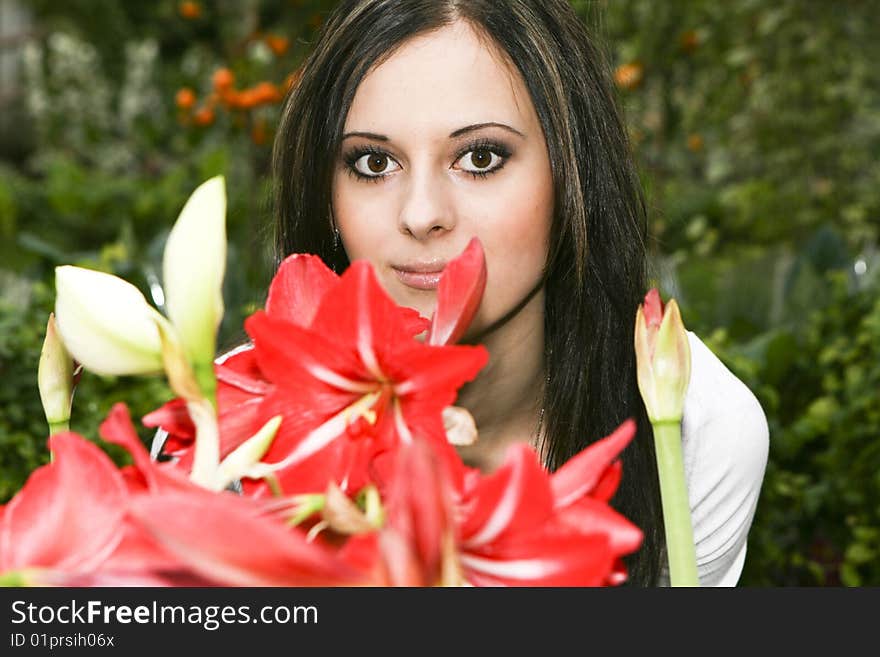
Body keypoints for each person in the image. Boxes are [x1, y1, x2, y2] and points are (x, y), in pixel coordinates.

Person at [269, 0, 769, 586]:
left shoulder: (696, 433)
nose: (422, 214)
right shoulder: (233, 439)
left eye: (480, 157)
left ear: (571, 176)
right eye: (375, 162)